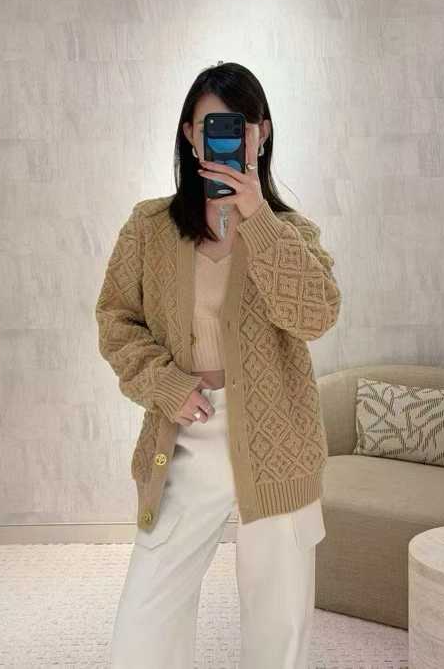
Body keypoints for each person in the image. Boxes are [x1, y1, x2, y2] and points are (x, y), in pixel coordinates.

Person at [95, 61, 343, 668]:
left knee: (278, 630)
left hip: (277, 438)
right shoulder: (149, 228)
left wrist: (259, 220)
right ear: (190, 135)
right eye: (212, 126)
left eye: (240, 126)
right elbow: (116, 321)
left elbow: (316, 315)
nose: (226, 139)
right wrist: (165, 384)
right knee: (143, 630)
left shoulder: (292, 231)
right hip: (186, 431)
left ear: (261, 134)